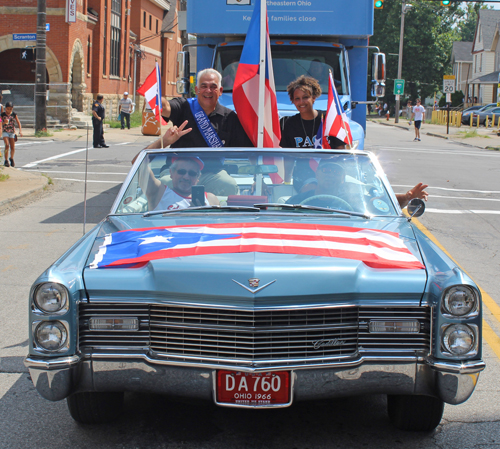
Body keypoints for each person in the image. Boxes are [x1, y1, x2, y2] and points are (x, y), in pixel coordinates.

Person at [159, 68, 253, 149]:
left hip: (215, 170)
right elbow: (164, 107)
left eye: (213, 87)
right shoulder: (183, 106)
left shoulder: (230, 118)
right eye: (204, 86)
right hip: (181, 169)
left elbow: (244, 151)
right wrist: (154, 96)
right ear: (196, 90)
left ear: (220, 91)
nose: (208, 91)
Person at [2, 102, 22, 167]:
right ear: (5, 108)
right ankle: (6, 160)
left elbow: (18, 122)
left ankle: (11, 158)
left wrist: (20, 131)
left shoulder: (14, 114)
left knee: (12, 147)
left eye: (10, 109)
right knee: (7, 145)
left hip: (12, 132)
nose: (9, 110)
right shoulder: (2, 115)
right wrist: (4, 122)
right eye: (7, 109)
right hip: (5, 131)